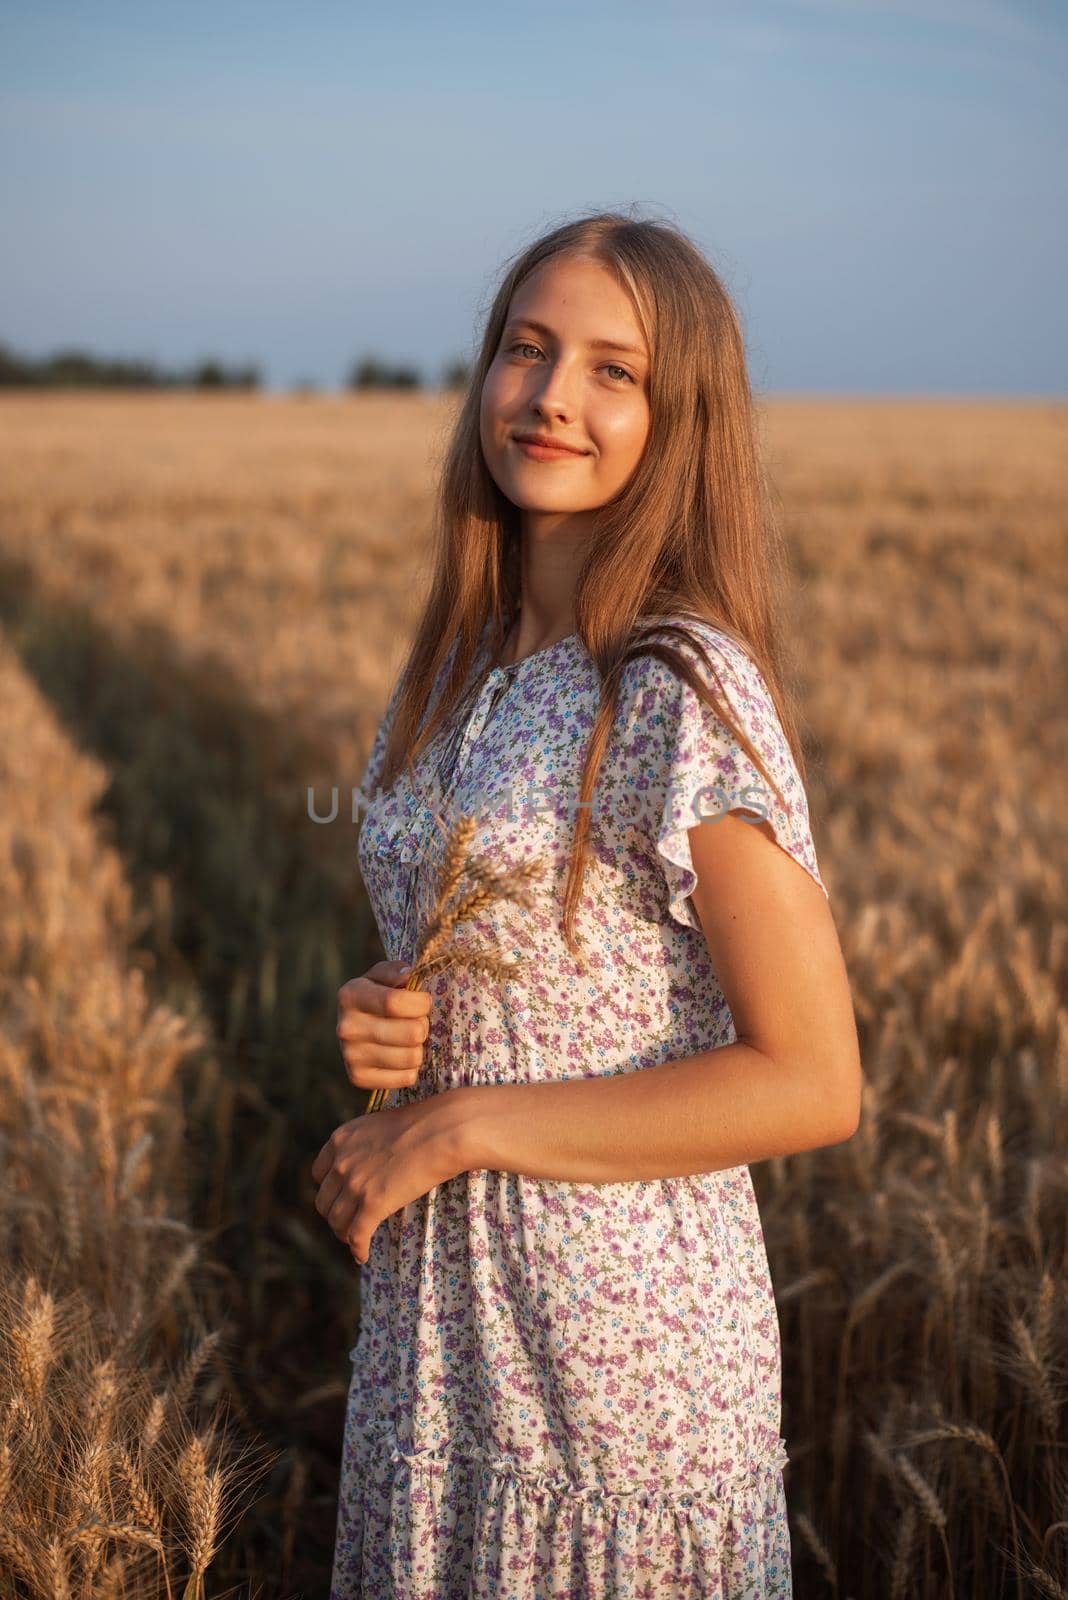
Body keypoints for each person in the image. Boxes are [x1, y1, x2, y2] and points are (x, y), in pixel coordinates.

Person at [313, 210, 862, 1598]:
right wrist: (397, 1019)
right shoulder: (458, 666)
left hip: (614, 1362)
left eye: (616, 371)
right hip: (439, 1336)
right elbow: (493, 959)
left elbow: (812, 1081)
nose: (554, 397)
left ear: (681, 420)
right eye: (528, 349)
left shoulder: (675, 685)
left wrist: (464, 1120)